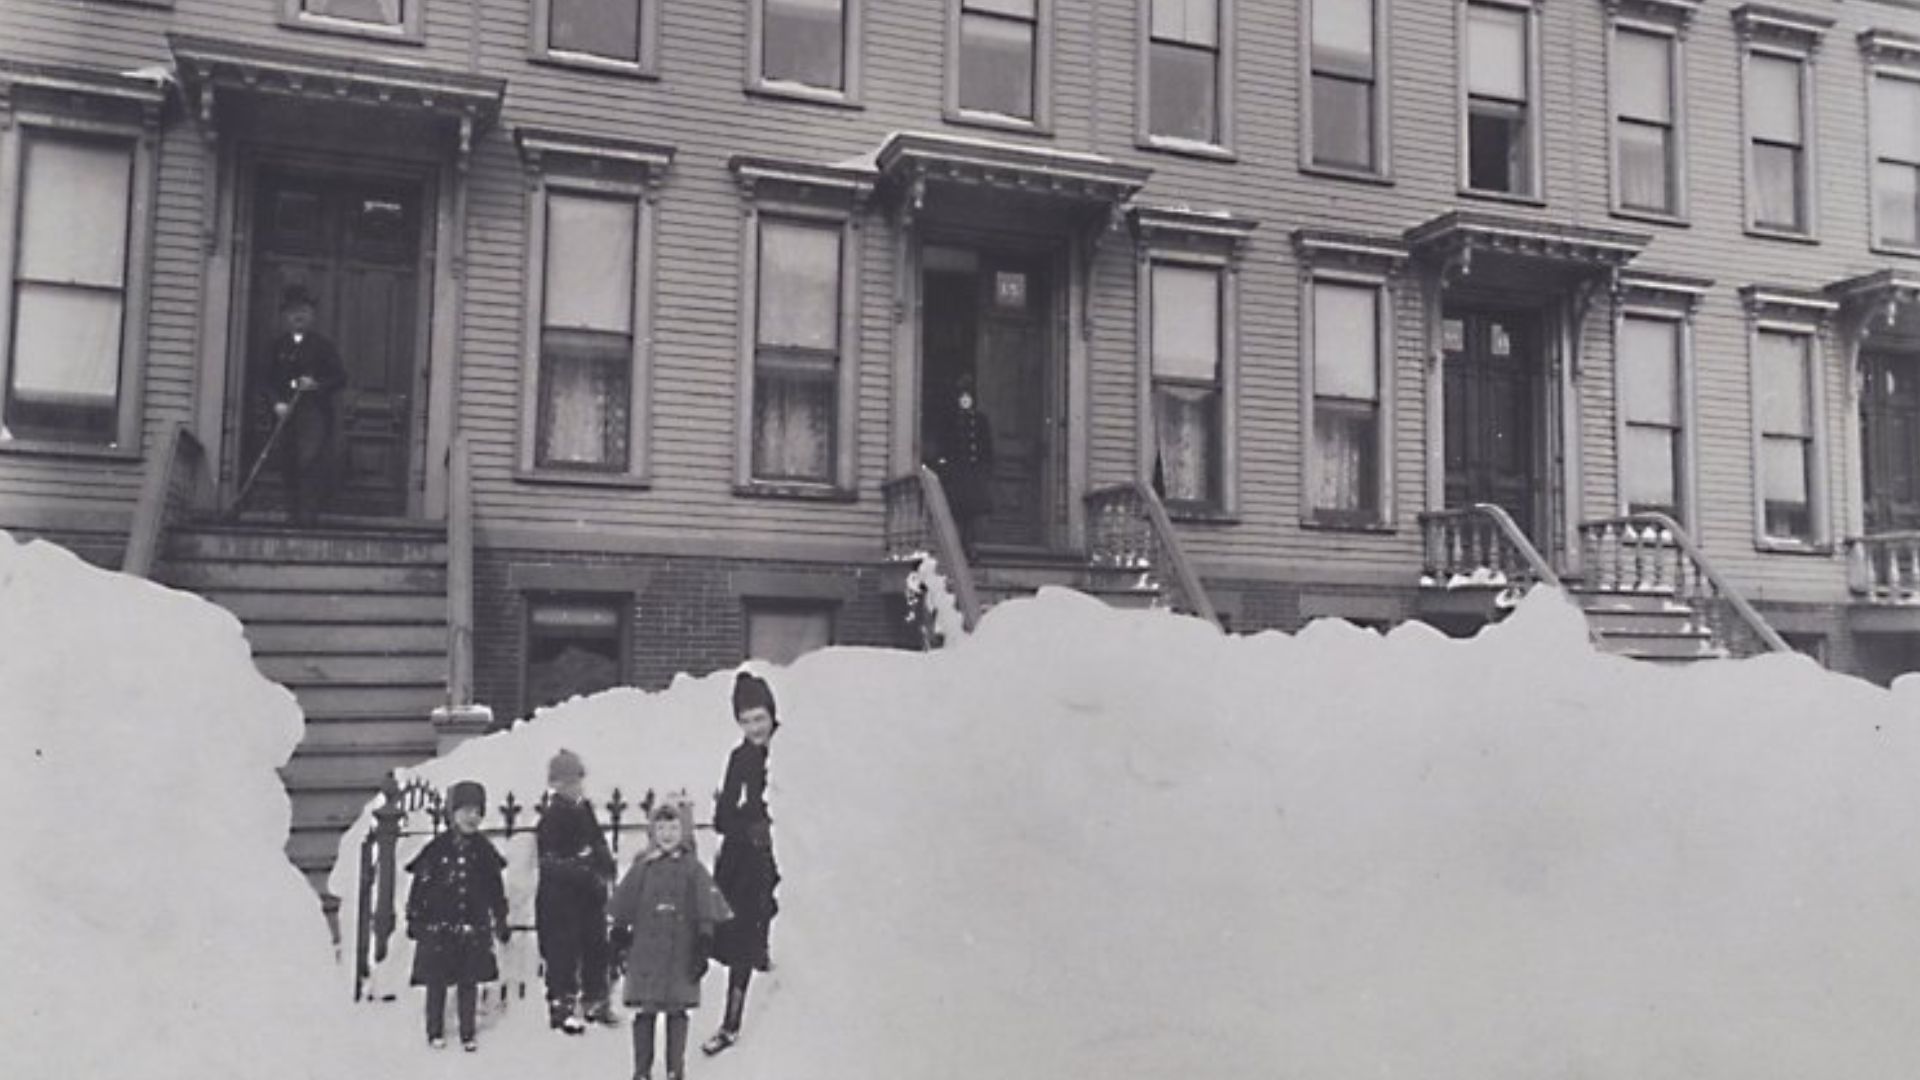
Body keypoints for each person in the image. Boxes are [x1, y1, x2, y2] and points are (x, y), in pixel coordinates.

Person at [609, 799, 733, 1080]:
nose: (666, 834)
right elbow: (624, 903)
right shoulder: (642, 867)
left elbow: (706, 908)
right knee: (645, 1011)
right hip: (645, 953)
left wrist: (704, 941)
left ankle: (675, 1070)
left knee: (677, 1013)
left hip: (681, 953)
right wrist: (619, 934)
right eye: (661, 827)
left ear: (684, 831)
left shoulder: (693, 870)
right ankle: (641, 1071)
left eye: (674, 828)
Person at [701, 671, 781, 1056]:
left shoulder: (793, 748)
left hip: (789, 855)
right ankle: (731, 1022)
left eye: (760, 719)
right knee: (744, 941)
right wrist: (751, 829)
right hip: (748, 860)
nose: (754, 729)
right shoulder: (739, 758)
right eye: (746, 721)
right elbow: (721, 817)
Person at [404, 780, 509, 1053]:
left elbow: (495, 889)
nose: (472, 817)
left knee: (468, 980)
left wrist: (500, 918)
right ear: (452, 814)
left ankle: (467, 1031)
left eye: (477, 812)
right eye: (465, 811)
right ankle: (435, 1029)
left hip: (473, 927)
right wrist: (415, 918)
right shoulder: (437, 850)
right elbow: (420, 886)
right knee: (436, 982)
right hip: (439, 928)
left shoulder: (484, 852)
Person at [536, 748, 619, 1034]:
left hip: (589, 897)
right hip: (560, 901)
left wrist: (604, 861)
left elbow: (597, 841)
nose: (574, 788)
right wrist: (580, 868)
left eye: (576, 782)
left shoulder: (585, 810)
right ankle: (562, 1004)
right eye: (567, 783)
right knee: (563, 953)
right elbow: (549, 861)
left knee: (596, 945)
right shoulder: (552, 816)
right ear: (555, 785)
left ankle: (596, 998)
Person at [258, 285, 347, 525]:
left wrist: (316, 384)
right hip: (285, 414)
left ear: (312, 315)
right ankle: (292, 515)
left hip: (313, 414)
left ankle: (308, 518)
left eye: (304, 311)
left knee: (310, 462)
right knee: (288, 462)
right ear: (286, 316)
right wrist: (276, 402)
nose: (299, 316)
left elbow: (340, 377)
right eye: (294, 312)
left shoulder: (322, 346)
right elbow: (264, 381)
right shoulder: (276, 347)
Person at [930, 374, 994, 560]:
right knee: (956, 510)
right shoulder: (950, 421)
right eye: (962, 398)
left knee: (972, 512)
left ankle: (970, 547)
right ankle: (956, 548)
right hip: (956, 473)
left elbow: (986, 446)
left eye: (969, 398)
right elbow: (943, 445)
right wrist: (944, 465)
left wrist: (986, 468)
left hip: (973, 473)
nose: (965, 401)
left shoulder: (980, 421)